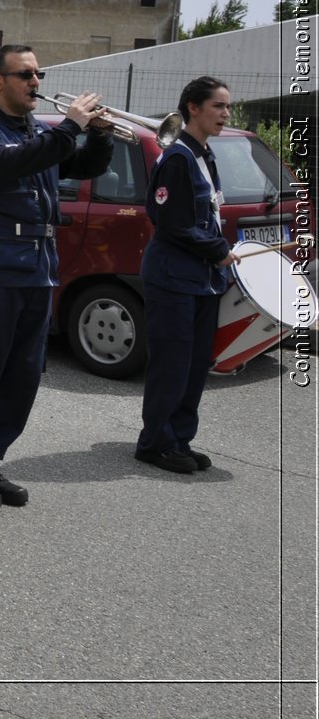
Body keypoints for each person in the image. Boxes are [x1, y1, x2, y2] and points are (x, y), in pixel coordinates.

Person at [0, 45, 113, 510]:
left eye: (39, 73)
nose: (36, 82)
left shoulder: (36, 129)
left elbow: (84, 166)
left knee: (23, 375)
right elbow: (10, 163)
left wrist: (97, 135)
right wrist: (72, 126)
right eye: (25, 75)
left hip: (37, 266)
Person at [135, 77, 239, 475]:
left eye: (228, 107)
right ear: (193, 108)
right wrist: (217, 250)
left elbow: (205, 213)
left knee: (195, 365)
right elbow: (170, 222)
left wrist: (218, 251)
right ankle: (155, 443)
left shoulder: (204, 155)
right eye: (218, 106)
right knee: (172, 364)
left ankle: (179, 438)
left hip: (201, 278)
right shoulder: (177, 158)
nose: (225, 114)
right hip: (173, 278)